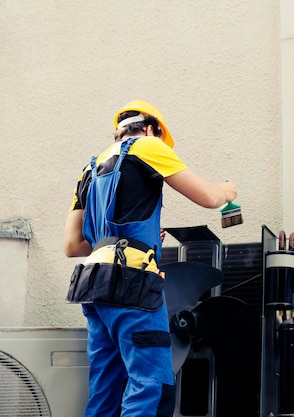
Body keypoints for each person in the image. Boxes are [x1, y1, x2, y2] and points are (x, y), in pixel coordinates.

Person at [63, 100, 237, 417]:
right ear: (150, 128)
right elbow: (209, 198)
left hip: (94, 288)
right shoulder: (147, 145)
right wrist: (227, 191)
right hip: (134, 288)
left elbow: (73, 245)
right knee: (148, 387)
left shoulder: (89, 169)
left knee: (105, 390)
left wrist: (137, 240)